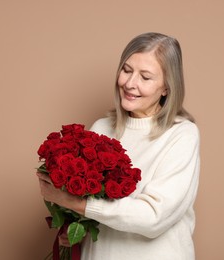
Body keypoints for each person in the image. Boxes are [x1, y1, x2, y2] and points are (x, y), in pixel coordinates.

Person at [37, 32, 200, 260]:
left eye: (145, 77)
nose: (130, 84)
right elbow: (99, 217)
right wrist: (75, 231)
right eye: (126, 70)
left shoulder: (181, 134)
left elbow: (153, 217)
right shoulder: (101, 128)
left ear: (167, 87)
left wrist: (74, 202)